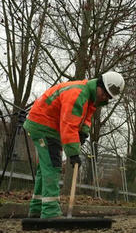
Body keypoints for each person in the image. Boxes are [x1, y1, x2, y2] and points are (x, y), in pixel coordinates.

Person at [23, 72, 125, 219]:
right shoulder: (77, 94)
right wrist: (73, 153)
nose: (105, 98)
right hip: (43, 126)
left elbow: (86, 116)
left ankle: (36, 209)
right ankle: (50, 212)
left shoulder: (90, 98)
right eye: (105, 93)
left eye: (108, 97)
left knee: (45, 168)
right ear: (99, 84)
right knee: (52, 166)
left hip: (48, 126)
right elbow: (69, 124)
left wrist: (83, 132)